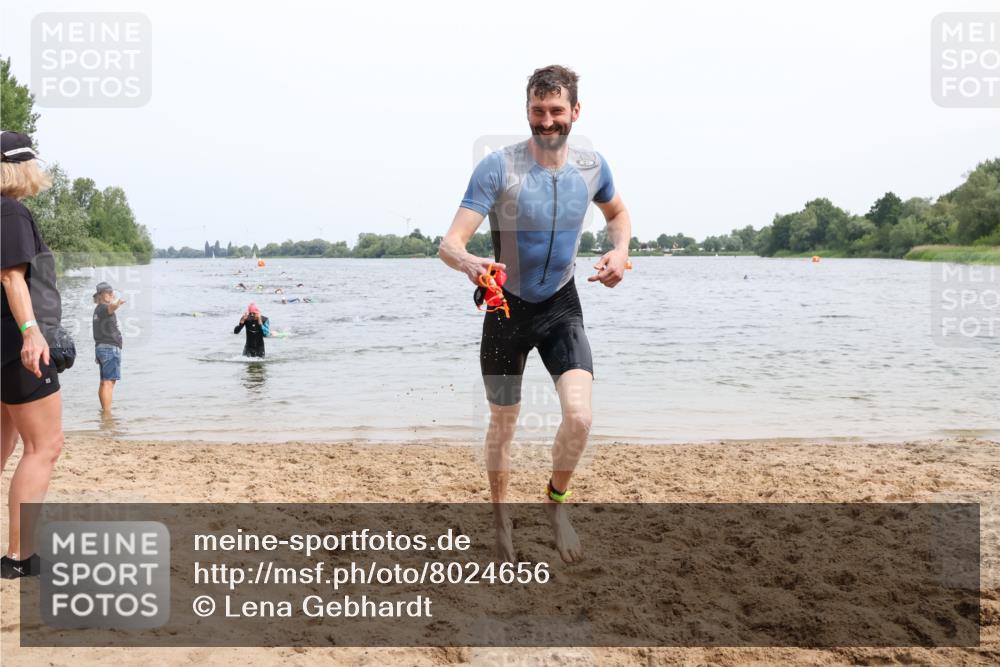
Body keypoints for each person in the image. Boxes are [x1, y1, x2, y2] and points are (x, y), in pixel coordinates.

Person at [439, 66, 631, 564]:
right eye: (537, 111)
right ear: (527, 110)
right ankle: (502, 522)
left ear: (575, 113)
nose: (547, 122)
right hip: (506, 310)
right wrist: (469, 262)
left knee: (581, 416)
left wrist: (620, 250)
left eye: (556, 112)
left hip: (561, 304)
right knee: (503, 425)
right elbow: (450, 243)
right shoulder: (498, 168)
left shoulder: (592, 167)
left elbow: (617, 215)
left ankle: (556, 502)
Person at [0, 131, 65, 578]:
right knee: (45, 447)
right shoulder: (11, 212)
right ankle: (20, 558)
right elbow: (11, 277)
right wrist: (31, 334)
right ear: (23, 166)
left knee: (3, 447)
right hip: (15, 345)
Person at [93, 281, 125, 414]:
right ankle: (107, 414)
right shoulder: (102, 308)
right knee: (108, 383)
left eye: (112, 292)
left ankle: (104, 412)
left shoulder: (97, 310)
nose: (111, 294)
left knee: (103, 382)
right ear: (100, 295)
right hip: (109, 348)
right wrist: (117, 303)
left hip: (102, 348)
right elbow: (111, 308)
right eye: (108, 292)